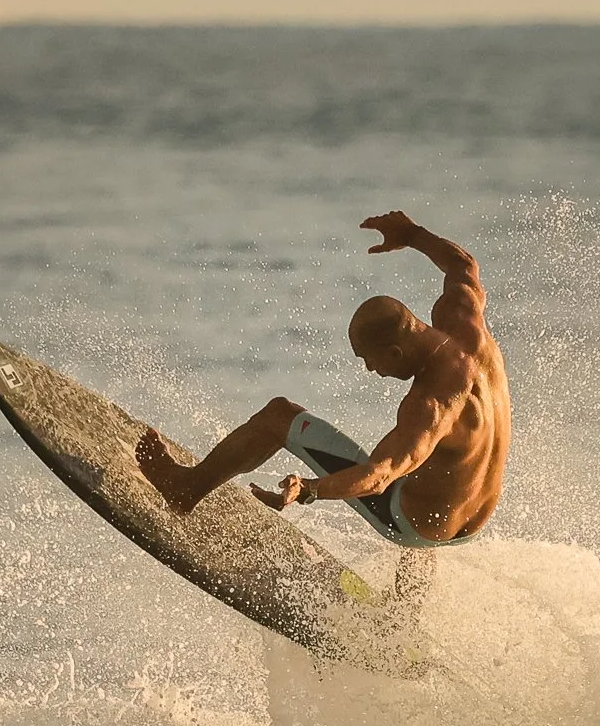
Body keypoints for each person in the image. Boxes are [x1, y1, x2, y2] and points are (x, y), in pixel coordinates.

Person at [135, 211, 509, 593]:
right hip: (471, 520)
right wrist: (413, 234)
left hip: (412, 522)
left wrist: (310, 489)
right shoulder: (464, 323)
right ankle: (403, 613)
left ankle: (185, 488)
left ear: (396, 353)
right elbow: (463, 265)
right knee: (427, 458)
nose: (370, 370)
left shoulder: (431, 404)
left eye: (370, 360)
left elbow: (380, 476)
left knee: (280, 416)